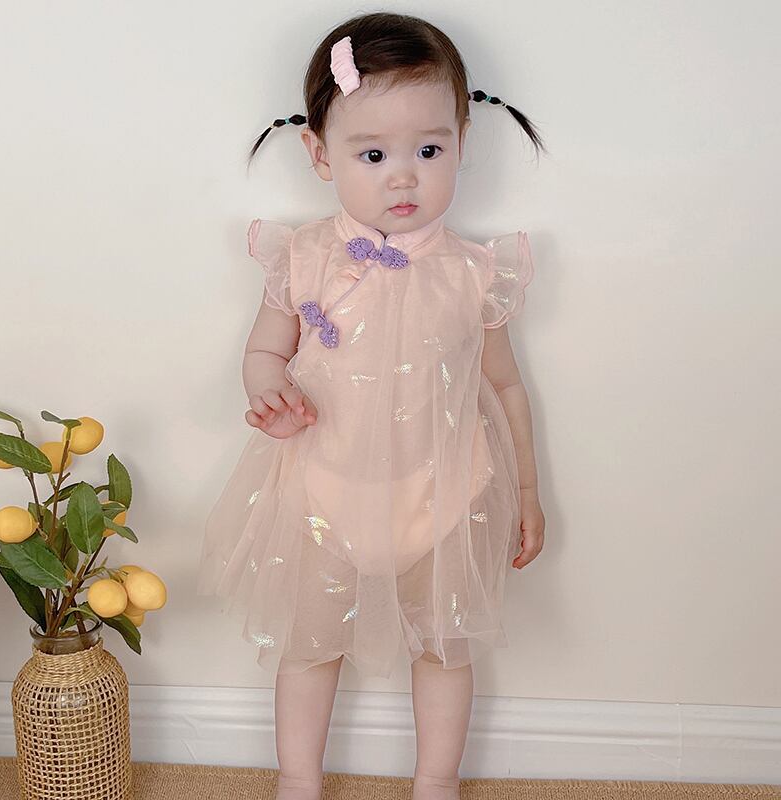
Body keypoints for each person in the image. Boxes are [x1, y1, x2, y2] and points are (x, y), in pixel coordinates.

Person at [196, 12, 547, 800]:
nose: (404, 177)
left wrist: (526, 490)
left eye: (430, 151)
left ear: (461, 141)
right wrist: (269, 390)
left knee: (446, 649)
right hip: (325, 489)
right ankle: (297, 778)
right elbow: (264, 351)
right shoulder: (304, 257)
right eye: (374, 154)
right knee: (309, 647)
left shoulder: (474, 274)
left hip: (444, 495)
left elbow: (503, 385)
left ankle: (436, 780)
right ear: (320, 153)